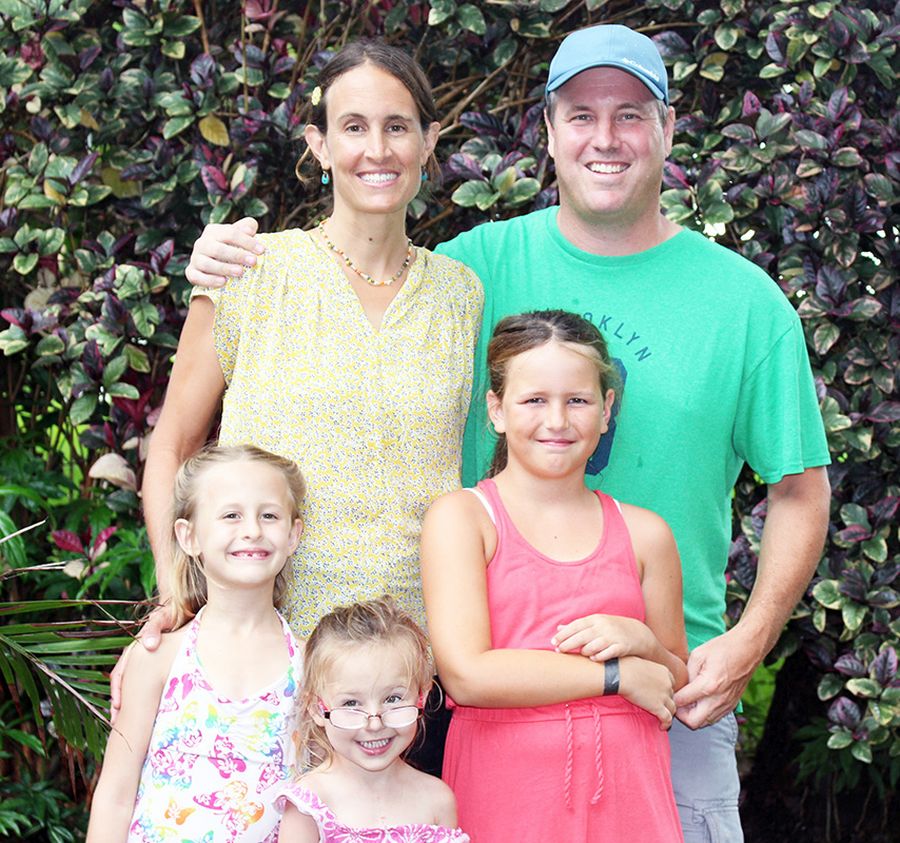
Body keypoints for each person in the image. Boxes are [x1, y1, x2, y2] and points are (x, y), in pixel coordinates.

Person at [186, 23, 832, 841]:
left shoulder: (745, 304)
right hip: (493, 699)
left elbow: (801, 490)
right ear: (549, 133)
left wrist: (747, 640)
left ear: (669, 130)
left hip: (670, 689)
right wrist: (226, 266)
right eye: (582, 115)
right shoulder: (468, 274)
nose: (606, 137)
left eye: (632, 114)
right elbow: (356, 294)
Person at [119, 39, 482, 721]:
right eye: (353, 126)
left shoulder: (462, 295)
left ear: (430, 141)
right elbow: (168, 447)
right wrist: (175, 588)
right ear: (318, 145)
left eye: (398, 126)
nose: (377, 149)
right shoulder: (250, 273)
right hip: (264, 656)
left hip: (412, 681)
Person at [420, 310, 687, 841]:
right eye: (534, 400)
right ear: (496, 409)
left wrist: (643, 645)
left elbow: (672, 678)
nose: (558, 421)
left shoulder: (646, 533)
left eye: (579, 401)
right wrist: (616, 675)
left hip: (631, 790)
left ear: (607, 410)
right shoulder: (463, 518)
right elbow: (468, 676)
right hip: (506, 790)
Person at [87, 444, 305, 842]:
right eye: (231, 515)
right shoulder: (160, 658)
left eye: (269, 515)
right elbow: (115, 795)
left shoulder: (309, 665)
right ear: (188, 536)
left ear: (293, 534)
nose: (252, 529)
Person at [277, 596, 469, 842]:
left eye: (392, 699)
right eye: (351, 703)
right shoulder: (308, 805)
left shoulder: (437, 800)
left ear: (422, 696)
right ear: (315, 708)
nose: (375, 723)